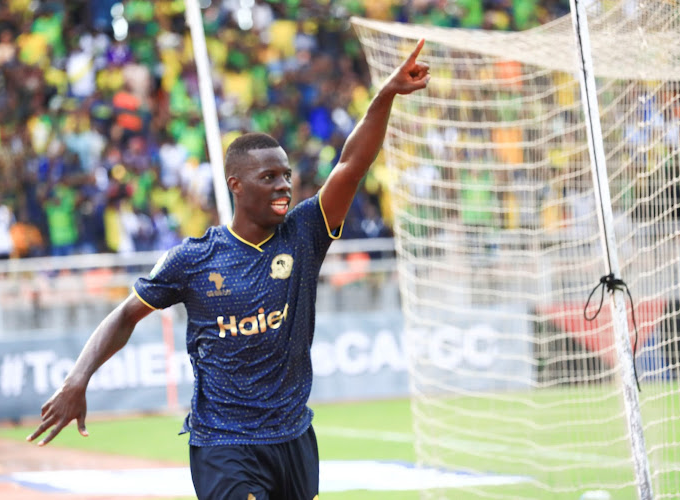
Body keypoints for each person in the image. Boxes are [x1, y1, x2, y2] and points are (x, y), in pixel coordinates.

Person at [27, 39, 429, 499]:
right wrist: (78, 380)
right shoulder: (194, 259)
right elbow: (124, 315)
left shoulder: (304, 233)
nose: (283, 185)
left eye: (285, 175)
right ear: (236, 186)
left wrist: (385, 96)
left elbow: (351, 166)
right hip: (225, 443)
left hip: (294, 437)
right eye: (268, 178)